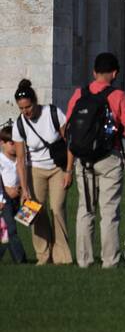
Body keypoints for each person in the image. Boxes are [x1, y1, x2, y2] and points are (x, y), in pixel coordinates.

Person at [64, 53, 125, 270]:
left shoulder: (79, 94)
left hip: (83, 160)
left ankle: (84, 261)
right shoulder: (118, 95)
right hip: (108, 158)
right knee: (109, 212)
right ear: (115, 73)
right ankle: (109, 261)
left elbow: (66, 131)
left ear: (94, 72)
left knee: (85, 210)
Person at [14, 79, 72, 266]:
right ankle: (43, 255)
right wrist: (24, 188)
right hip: (34, 169)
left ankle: (62, 257)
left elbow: (69, 143)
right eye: (21, 109)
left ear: (35, 101)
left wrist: (69, 170)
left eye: (28, 107)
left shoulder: (53, 113)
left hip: (58, 168)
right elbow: (21, 160)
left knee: (57, 208)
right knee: (33, 211)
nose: (26, 112)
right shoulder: (19, 125)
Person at [0, 126, 28, 264]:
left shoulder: (21, 160)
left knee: (4, 234)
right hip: (4, 199)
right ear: (2, 143)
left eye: (16, 143)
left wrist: (22, 190)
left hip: (20, 198)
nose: (14, 146)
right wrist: (3, 193)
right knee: (10, 229)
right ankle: (21, 260)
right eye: (11, 143)